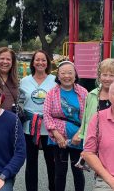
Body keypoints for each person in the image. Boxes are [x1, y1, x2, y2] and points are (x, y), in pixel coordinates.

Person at [43, 61, 88, 191]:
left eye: (70, 72)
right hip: (57, 139)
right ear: (58, 75)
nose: (66, 76)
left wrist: (79, 134)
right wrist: (57, 135)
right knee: (60, 172)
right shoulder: (51, 93)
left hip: (78, 138)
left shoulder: (83, 92)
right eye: (63, 73)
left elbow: (88, 117)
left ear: (75, 75)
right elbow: (46, 114)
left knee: (78, 171)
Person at [19, 50, 56, 191]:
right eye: (37, 60)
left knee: (52, 163)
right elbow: (20, 101)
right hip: (30, 126)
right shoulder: (24, 81)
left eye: (43, 60)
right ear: (32, 62)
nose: (40, 62)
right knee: (31, 163)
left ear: (47, 63)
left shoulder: (54, 81)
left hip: (50, 127)